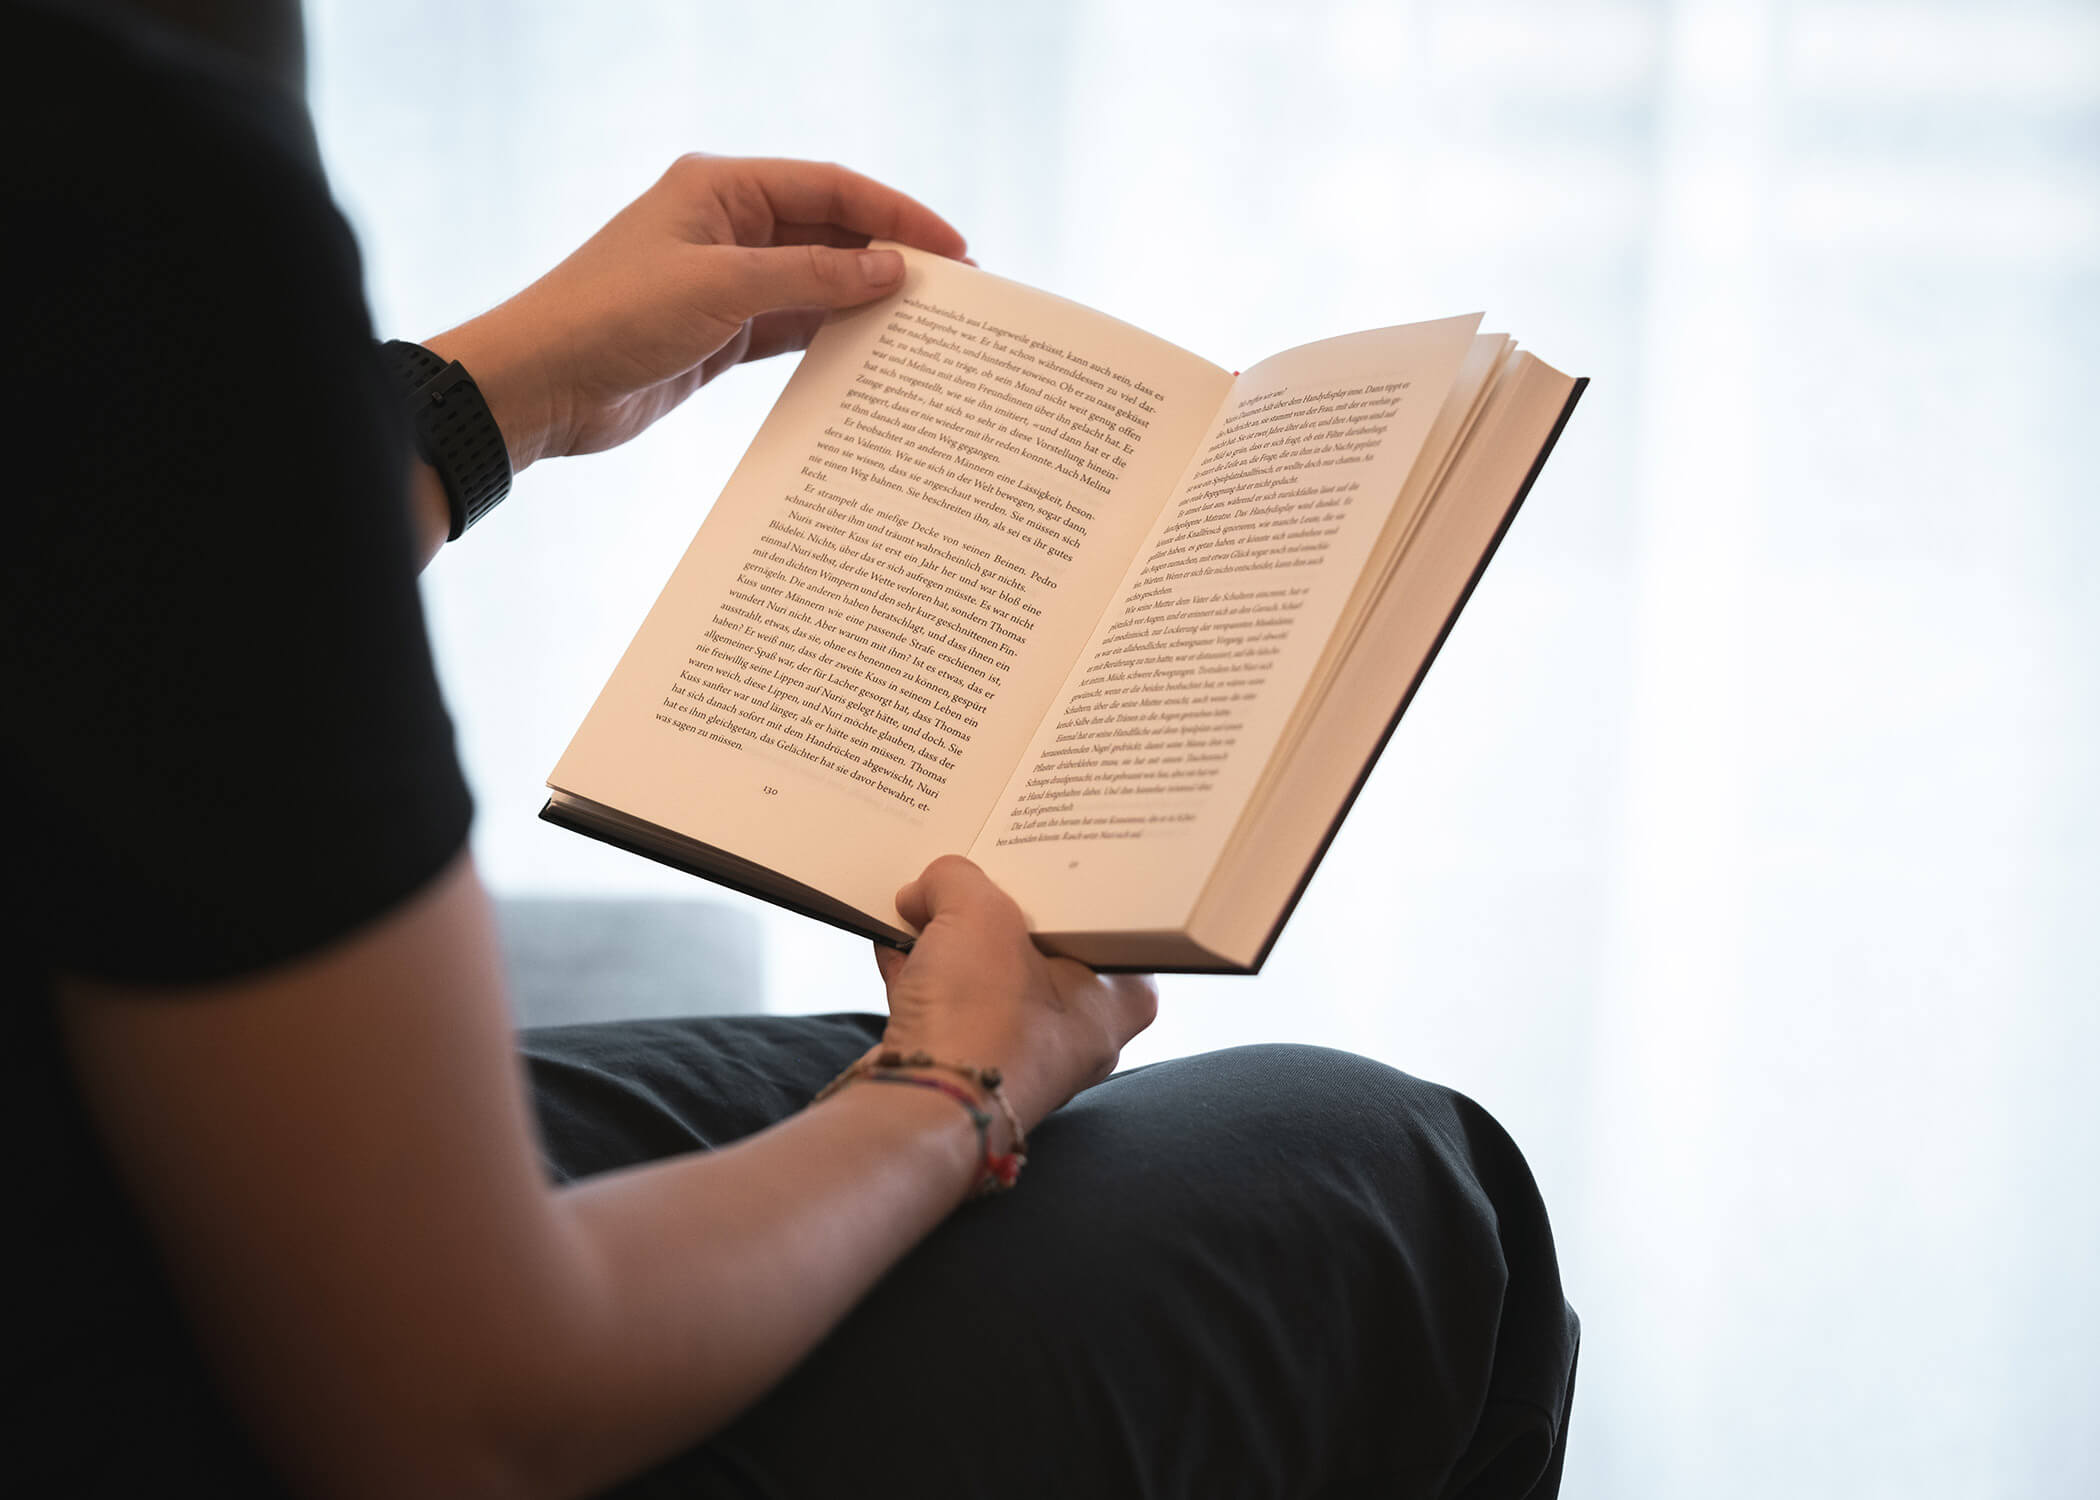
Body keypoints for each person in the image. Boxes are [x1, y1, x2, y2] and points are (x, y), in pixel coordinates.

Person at [2, 2, 1578, 1496]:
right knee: (1394, 1180)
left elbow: (102, 604)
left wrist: (487, 401)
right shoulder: (128, 160)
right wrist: (957, 1086)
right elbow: (467, 1420)